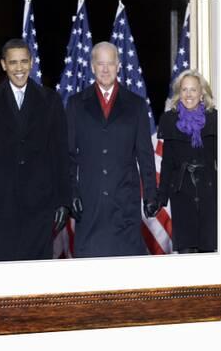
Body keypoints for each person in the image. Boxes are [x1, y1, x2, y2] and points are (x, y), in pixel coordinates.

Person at [0, 38, 71, 261]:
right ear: (4, 64)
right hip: (2, 207)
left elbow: (60, 155)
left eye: (24, 61)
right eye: (13, 62)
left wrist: (63, 200)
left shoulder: (50, 101)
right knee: (8, 278)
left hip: (41, 207)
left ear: (32, 62)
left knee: (39, 278)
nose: (19, 68)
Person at [66, 41, 157, 258]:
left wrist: (151, 195)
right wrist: (71, 193)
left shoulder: (136, 105)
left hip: (125, 203)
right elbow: (67, 155)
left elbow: (145, 155)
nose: (105, 69)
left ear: (118, 66)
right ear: (92, 66)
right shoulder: (76, 104)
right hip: (89, 205)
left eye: (110, 63)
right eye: (100, 63)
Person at [157, 69, 217, 253]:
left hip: (210, 195)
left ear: (201, 94)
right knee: (186, 254)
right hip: (182, 195)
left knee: (210, 252)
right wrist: (161, 197)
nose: (188, 94)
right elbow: (167, 164)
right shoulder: (169, 120)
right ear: (179, 93)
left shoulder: (214, 118)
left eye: (193, 90)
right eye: (184, 90)